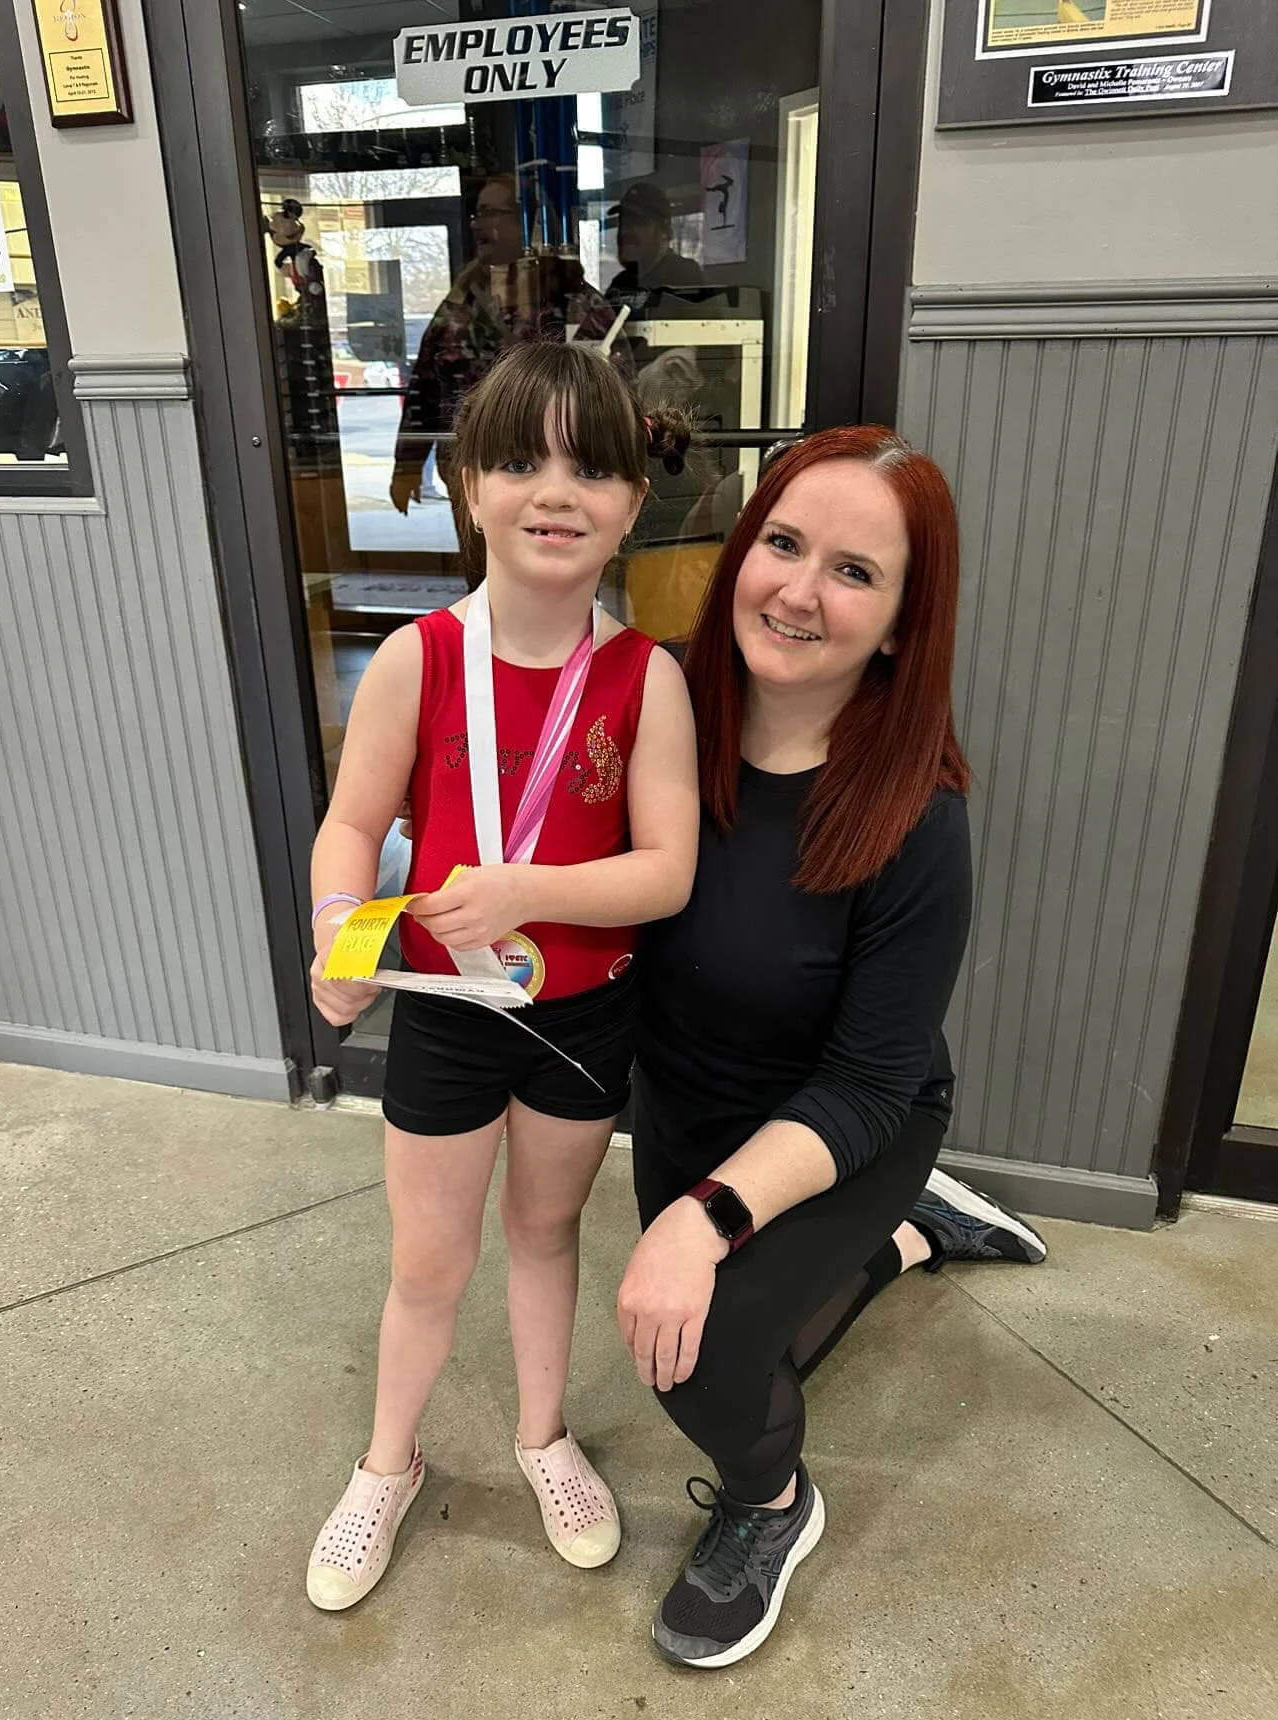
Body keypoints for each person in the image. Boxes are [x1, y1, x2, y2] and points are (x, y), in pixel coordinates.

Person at [615, 424, 1046, 1669]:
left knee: (692, 1364)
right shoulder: (656, 714)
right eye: (784, 544)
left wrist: (701, 1219)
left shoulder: (917, 815)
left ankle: (773, 1507)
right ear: (741, 550)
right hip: (690, 1104)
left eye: (855, 571)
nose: (801, 590)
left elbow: (868, 1080)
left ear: (906, 621)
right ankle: (912, 1239)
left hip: (848, 1124)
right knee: (737, 1326)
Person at [305, 340, 699, 1611]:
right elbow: (354, 824)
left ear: (633, 504)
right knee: (428, 1260)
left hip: (582, 1014)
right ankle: (387, 1460)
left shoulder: (647, 678)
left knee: (543, 1232)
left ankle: (541, 1436)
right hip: (447, 1012)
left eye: (592, 467)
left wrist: (530, 890)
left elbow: (666, 871)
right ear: (470, 483)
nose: (555, 489)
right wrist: (335, 927)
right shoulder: (422, 656)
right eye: (521, 459)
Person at [391, 175, 631, 515]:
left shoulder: (572, 300)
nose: (478, 226)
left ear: (528, 223)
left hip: (556, 482)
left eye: (492, 213)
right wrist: (407, 464)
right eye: (478, 215)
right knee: (483, 569)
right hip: (468, 479)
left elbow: (618, 391)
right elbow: (425, 385)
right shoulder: (462, 299)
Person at [607, 181, 705, 299]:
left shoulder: (684, 277)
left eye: (638, 222)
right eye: (623, 221)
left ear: (664, 231)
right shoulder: (621, 284)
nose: (625, 230)